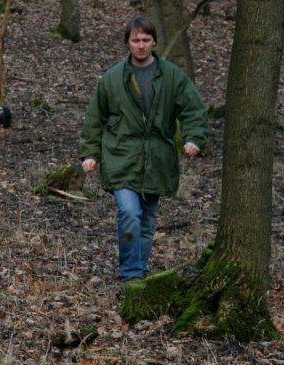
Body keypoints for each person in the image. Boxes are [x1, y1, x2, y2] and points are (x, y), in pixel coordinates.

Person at [79, 16, 209, 282]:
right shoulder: (112, 78)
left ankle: (140, 274)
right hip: (120, 157)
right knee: (129, 213)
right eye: (135, 40)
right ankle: (132, 276)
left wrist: (194, 137)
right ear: (127, 43)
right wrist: (90, 153)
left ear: (154, 42)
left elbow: (193, 108)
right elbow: (95, 117)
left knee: (147, 223)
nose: (140, 45)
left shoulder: (172, 75)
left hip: (157, 159)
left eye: (146, 40)